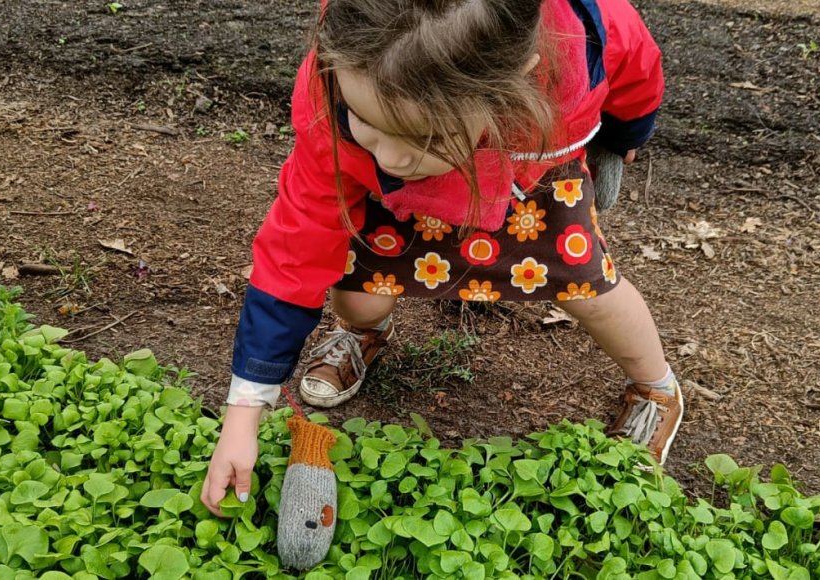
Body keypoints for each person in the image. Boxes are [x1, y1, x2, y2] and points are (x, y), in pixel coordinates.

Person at [201, 0, 682, 517]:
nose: (389, 155)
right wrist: (243, 414)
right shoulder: (341, 85)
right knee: (358, 292)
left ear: (513, 80)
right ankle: (364, 334)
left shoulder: (580, 40)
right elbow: (296, 250)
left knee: (588, 289)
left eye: (421, 138)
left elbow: (637, 63)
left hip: (526, 171)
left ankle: (655, 386)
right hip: (393, 195)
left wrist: (625, 135)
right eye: (362, 117)